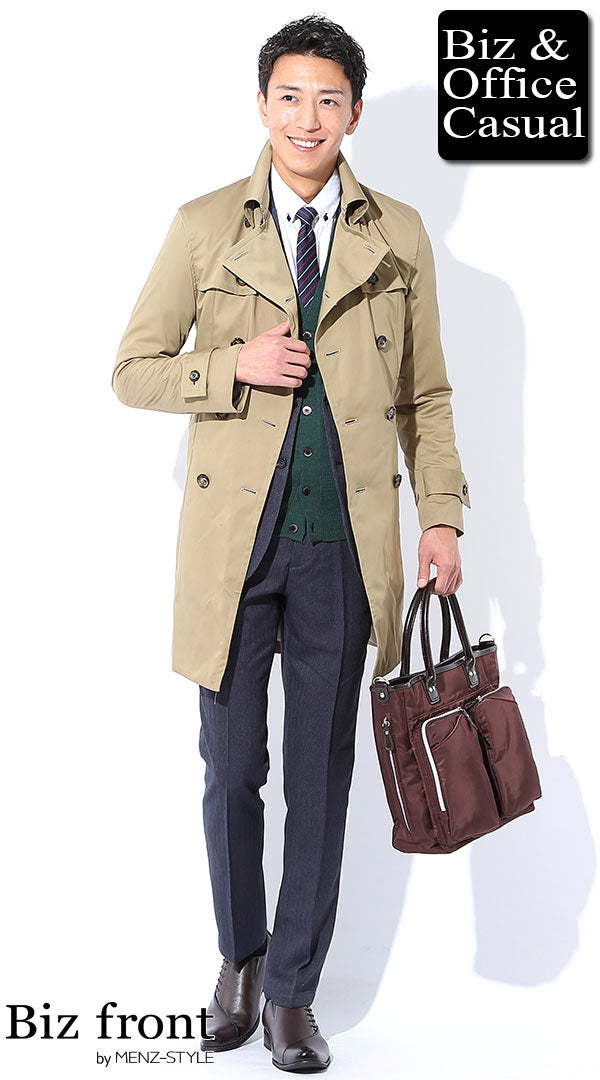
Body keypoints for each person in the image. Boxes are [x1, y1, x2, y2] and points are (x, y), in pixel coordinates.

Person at [112, 13, 470, 1072]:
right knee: (231, 770)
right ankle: (241, 957)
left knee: (319, 778)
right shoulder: (202, 226)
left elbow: (428, 395)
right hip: (232, 549)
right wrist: (230, 364)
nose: (308, 118)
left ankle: (294, 993)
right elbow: (131, 369)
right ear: (262, 105)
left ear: (353, 114)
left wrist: (441, 513)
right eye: (290, 97)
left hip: (343, 547)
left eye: (329, 100)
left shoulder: (398, 234)